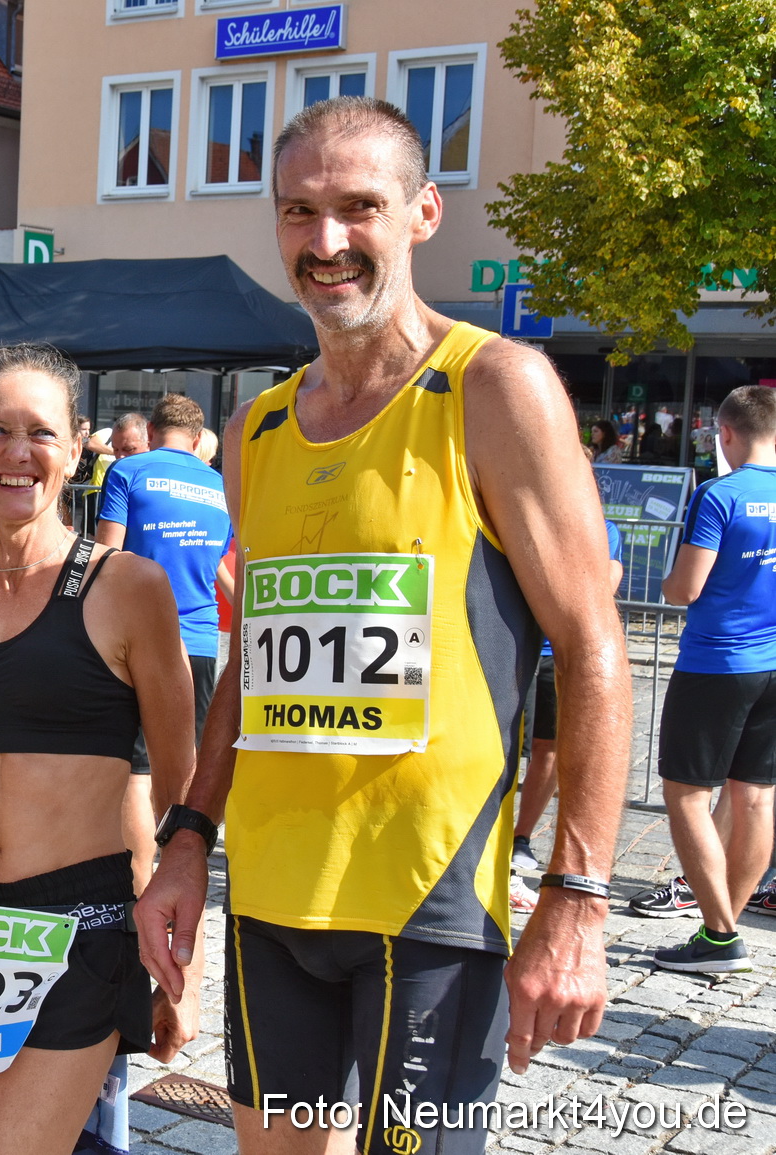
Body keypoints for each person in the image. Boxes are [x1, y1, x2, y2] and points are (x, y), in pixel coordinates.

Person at [137, 97, 630, 1155]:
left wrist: (578, 903)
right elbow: (251, 667)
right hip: (272, 898)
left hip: (430, 904)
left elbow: (593, 648)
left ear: (422, 213)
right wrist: (187, 838)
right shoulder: (255, 428)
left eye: (359, 207)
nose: (325, 243)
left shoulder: (493, 388)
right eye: (298, 212)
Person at [0, 343, 198, 1153]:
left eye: (41, 432)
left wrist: (180, 959)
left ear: (78, 446)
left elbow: (181, 786)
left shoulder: (128, 585)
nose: (17, 452)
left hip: (78, 926)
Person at [643, 385, 776, 973]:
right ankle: (722, 928)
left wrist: (667, 584)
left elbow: (686, 588)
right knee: (753, 796)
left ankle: (721, 937)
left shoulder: (719, 494)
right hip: (773, 662)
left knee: (687, 795)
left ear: (724, 435)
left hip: (717, 662)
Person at [95, 394, 233, 892]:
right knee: (182, 767)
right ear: (197, 441)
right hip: (197, 639)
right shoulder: (220, 486)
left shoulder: (129, 472)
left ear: (151, 433)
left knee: (136, 767)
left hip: (135, 635)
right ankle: (179, 876)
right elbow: (214, 561)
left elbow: (107, 556)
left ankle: (137, 884)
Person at [511, 443, 625, 897]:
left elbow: (602, 588)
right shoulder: (514, 509)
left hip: (554, 655)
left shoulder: (603, 528)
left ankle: (520, 839)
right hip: (509, 650)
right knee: (497, 750)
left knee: (549, 751)